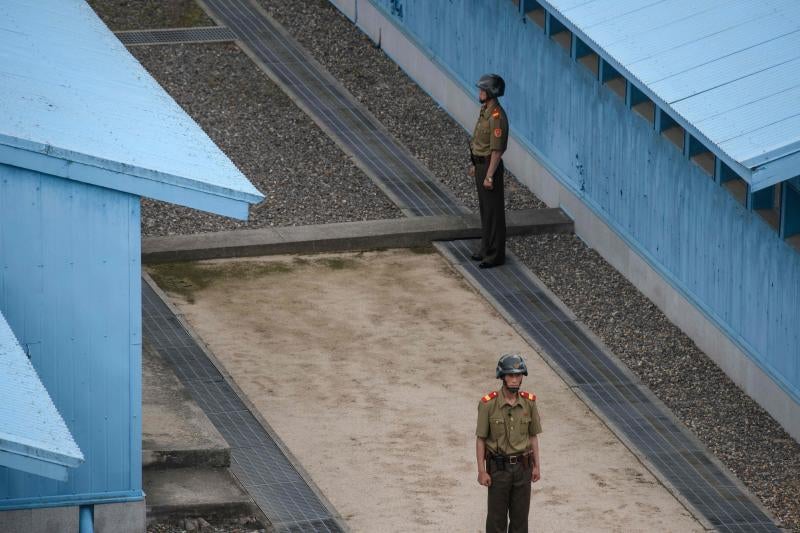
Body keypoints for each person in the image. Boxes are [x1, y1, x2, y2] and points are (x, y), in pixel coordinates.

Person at [476, 353, 542, 533]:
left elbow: (533, 436)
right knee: (496, 520)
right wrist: (482, 471)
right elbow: (481, 439)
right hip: (499, 470)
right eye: (510, 375)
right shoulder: (488, 405)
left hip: (523, 468)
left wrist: (537, 466)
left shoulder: (529, 403)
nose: (514, 379)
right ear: (502, 376)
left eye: (518, 375)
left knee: (520, 520)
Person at [469, 74, 509, 268]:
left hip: (489, 167)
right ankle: (486, 248)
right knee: (485, 211)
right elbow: (479, 141)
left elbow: (497, 149)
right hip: (481, 165)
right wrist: (475, 165)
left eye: (483, 90)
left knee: (494, 212)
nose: (480, 93)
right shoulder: (485, 111)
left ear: (491, 92)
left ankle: (495, 255)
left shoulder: (497, 117)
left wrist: (490, 175)